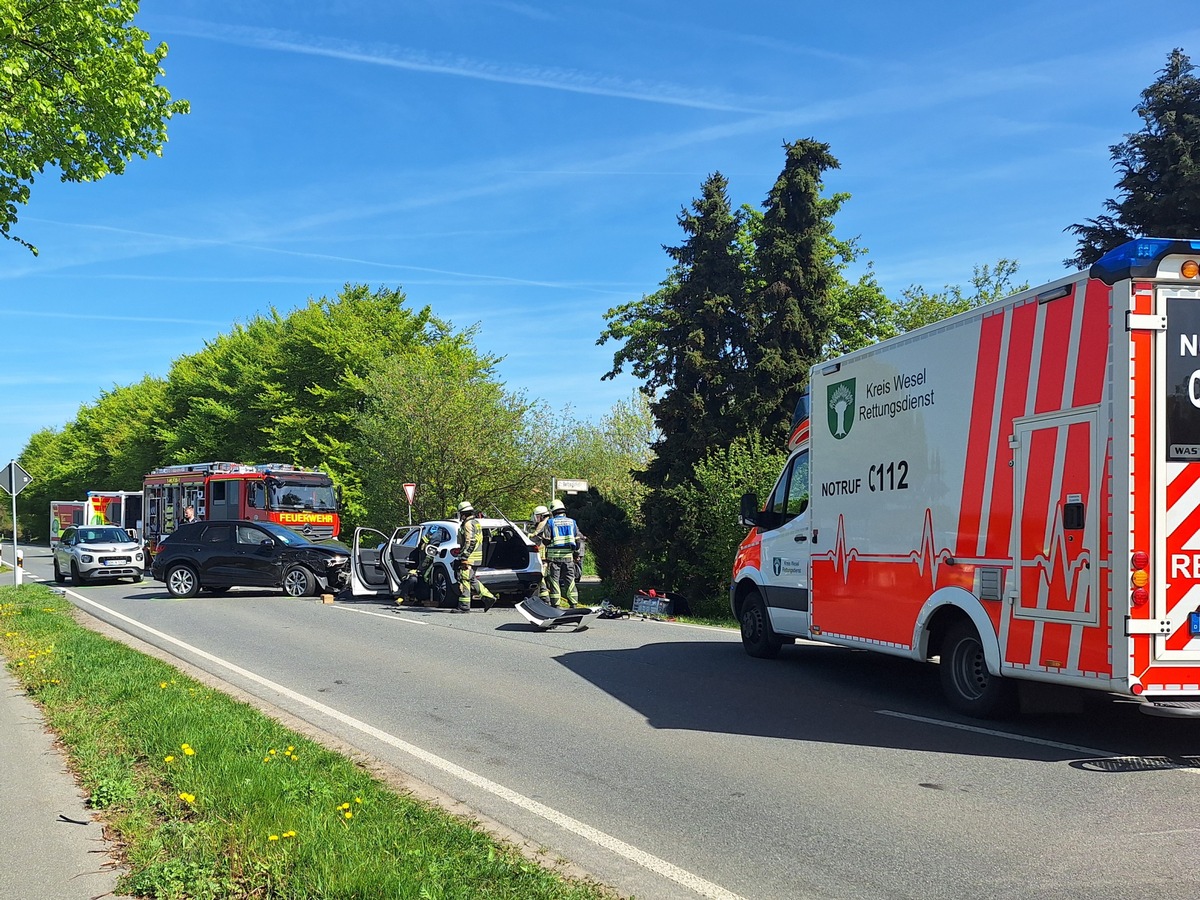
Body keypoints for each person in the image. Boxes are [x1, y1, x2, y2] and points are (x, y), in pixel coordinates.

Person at [454, 501, 497, 613]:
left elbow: (470, 541)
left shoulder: (468, 524)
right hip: (476, 557)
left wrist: (464, 556)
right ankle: (488, 598)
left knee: (464, 579)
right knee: (471, 579)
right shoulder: (476, 522)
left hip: (470, 558)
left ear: (463, 514)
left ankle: (464, 606)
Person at [544, 498, 581, 608]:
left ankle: (556, 605)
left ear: (553, 511)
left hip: (554, 558)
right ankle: (573, 604)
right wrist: (576, 554)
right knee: (570, 580)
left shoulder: (550, 522)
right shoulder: (572, 522)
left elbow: (546, 540)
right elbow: (578, 540)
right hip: (568, 558)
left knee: (554, 581)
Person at [529, 504, 552, 602]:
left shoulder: (543, 525)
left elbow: (536, 539)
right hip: (546, 557)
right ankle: (545, 597)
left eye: (537, 516)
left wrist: (527, 535)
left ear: (541, 516)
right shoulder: (547, 523)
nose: (535, 519)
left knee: (541, 577)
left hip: (543, 557)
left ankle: (545, 598)